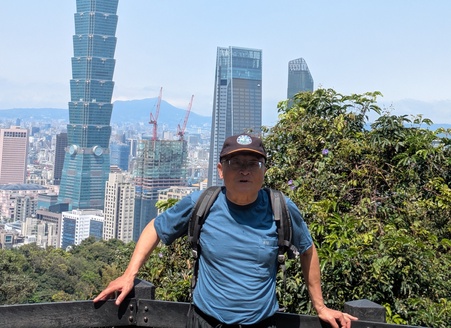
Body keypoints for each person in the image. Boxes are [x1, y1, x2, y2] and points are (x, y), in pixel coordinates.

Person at [94, 134, 357, 328]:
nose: (244, 170)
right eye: (235, 162)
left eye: (253, 163)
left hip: (261, 323)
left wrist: (320, 306)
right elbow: (156, 227)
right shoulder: (202, 203)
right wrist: (129, 274)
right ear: (221, 170)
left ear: (264, 171)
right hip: (205, 321)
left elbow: (307, 250)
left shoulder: (281, 208)